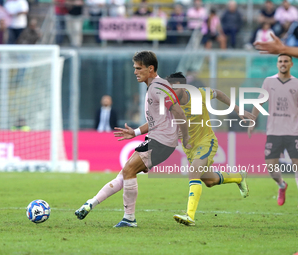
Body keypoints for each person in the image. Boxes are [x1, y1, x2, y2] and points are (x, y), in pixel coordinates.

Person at [75, 51, 191, 227]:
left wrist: (186, 137)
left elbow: (178, 112)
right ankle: (90, 203)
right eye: (134, 68)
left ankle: (129, 218)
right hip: (158, 139)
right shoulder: (154, 87)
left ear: (150, 69)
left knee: (128, 170)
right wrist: (136, 132)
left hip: (161, 141)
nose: (135, 72)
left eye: (139, 68)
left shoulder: (158, 87)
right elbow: (156, 121)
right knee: (125, 173)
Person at [166, 72, 255, 226]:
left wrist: (237, 109)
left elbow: (219, 94)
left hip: (206, 141)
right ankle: (239, 177)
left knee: (193, 171)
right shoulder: (169, 103)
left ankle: (190, 216)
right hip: (189, 147)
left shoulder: (198, 94)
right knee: (209, 181)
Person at [248, 54, 298, 206]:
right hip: (274, 131)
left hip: (293, 131)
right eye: (280, 61)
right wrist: (252, 120)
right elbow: (259, 102)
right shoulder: (269, 82)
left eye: (286, 61)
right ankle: (282, 185)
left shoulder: (296, 83)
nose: (283, 64)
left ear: (291, 64)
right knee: (271, 166)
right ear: (277, 64)